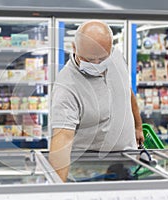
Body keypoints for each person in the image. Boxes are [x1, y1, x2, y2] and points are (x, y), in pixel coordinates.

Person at [49, 20, 144, 182]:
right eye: (90, 59)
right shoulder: (66, 86)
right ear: (74, 48)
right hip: (91, 171)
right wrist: (58, 189)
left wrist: (138, 126)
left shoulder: (116, 56)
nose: (96, 64)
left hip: (128, 161)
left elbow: (126, 91)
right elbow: (62, 138)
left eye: (102, 59)